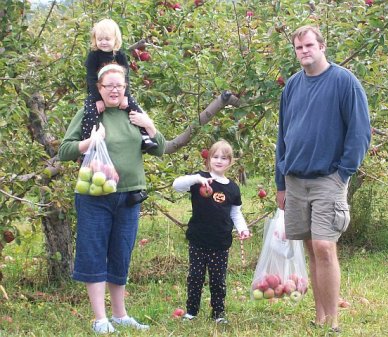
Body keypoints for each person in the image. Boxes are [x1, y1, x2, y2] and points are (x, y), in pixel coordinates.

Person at [275, 25, 371, 332]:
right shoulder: (292, 85)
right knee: (309, 248)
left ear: (322, 46)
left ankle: (333, 322)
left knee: (324, 247)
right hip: (295, 179)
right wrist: (280, 181)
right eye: (299, 47)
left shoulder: (344, 82)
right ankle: (319, 316)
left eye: (308, 46)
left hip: (328, 177)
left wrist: (343, 173)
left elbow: (360, 133)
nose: (304, 51)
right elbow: (283, 135)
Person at [58, 63, 166, 334]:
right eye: (109, 86)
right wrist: (89, 142)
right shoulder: (89, 114)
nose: (115, 90)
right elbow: (65, 150)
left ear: (126, 88)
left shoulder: (134, 113)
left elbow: (160, 149)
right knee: (94, 252)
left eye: (120, 85)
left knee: (121, 253)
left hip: (130, 196)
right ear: (99, 89)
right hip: (95, 197)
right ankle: (99, 319)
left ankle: (120, 315)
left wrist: (150, 126)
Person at [172, 140, 251, 324]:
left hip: (220, 242)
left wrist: (243, 229)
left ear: (230, 162)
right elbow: (176, 185)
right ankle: (191, 311)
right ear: (208, 159)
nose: (219, 160)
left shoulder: (232, 188)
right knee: (195, 277)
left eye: (224, 158)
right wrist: (197, 179)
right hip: (198, 240)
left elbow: (235, 212)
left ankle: (218, 314)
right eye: (215, 156)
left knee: (218, 280)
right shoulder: (200, 178)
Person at [83, 18, 157, 152]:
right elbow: (91, 78)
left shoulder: (120, 55)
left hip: (119, 92)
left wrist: (125, 96)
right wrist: (97, 99)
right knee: (89, 114)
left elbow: (126, 78)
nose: (103, 42)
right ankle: (88, 145)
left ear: (115, 39)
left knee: (135, 110)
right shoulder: (93, 56)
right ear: (95, 40)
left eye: (107, 39)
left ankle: (145, 137)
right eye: (100, 39)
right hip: (96, 93)